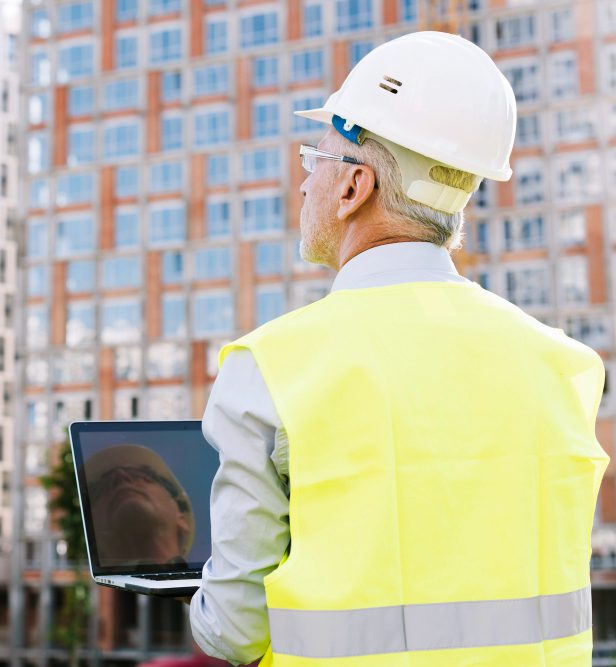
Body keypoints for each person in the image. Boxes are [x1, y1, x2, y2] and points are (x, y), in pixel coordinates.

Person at [189, 31, 610, 666]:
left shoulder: (271, 369)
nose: (304, 186)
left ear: (354, 186)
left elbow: (235, 629)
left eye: (314, 160)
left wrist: (193, 599)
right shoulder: (566, 365)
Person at [84, 444, 195, 566]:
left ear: (181, 519)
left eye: (142, 475)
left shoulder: (213, 583)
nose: (121, 476)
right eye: (102, 486)